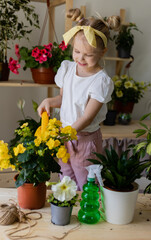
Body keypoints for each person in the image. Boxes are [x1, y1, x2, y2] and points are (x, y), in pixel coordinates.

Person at [37, 8, 121, 190]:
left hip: (85, 141)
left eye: (88, 54)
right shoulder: (68, 69)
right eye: (76, 51)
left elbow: (87, 118)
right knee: (65, 179)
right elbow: (63, 97)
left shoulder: (100, 81)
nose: (80, 58)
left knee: (87, 182)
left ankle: (89, 214)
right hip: (65, 136)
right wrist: (49, 102)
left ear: (102, 52)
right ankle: (69, 212)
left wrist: (67, 132)